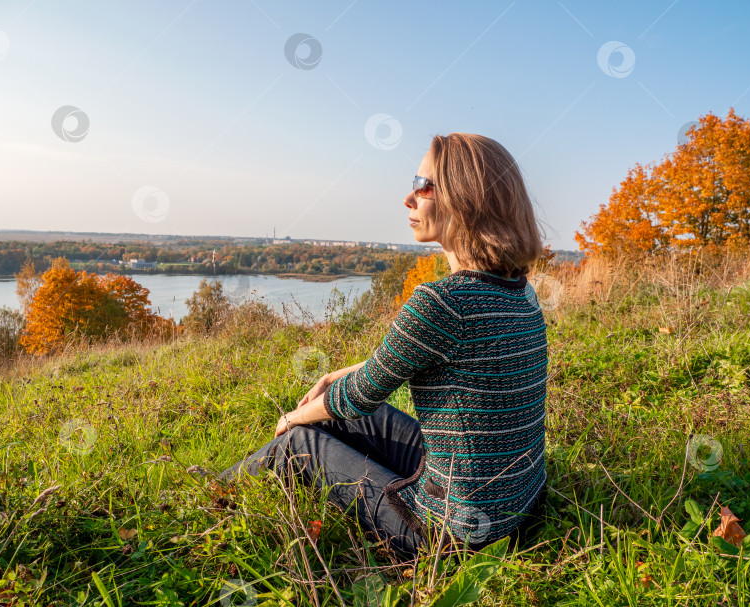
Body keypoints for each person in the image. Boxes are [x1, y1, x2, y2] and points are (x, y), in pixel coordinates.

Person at [217, 133, 549, 558]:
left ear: (465, 200)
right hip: (520, 505)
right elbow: (398, 360)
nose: (409, 198)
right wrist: (335, 374)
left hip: (450, 536)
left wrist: (293, 418)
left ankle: (207, 493)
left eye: (424, 185)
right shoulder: (517, 291)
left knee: (298, 441)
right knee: (345, 420)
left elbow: (359, 396)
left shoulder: (442, 302)